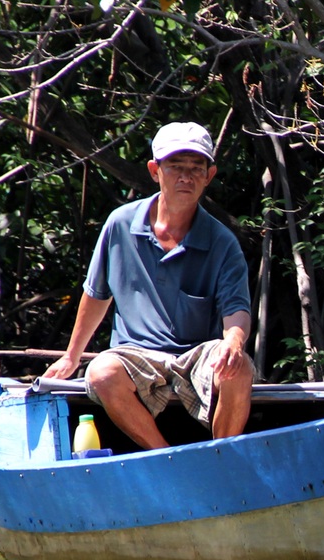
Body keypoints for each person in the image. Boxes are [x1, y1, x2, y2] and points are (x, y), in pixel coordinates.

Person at [44, 122, 254, 446]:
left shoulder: (222, 242)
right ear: (155, 171)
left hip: (195, 356)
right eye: (176, 167)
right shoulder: (121, 224)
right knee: (100, 373)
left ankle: (221, 457)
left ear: (209, 176)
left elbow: (236, 310)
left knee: (237, 367)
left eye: (196, 169)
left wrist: (234, 343)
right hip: (135, 354)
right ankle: (165, 456)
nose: (186, 177)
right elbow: (96, 295)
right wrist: (71, 357)